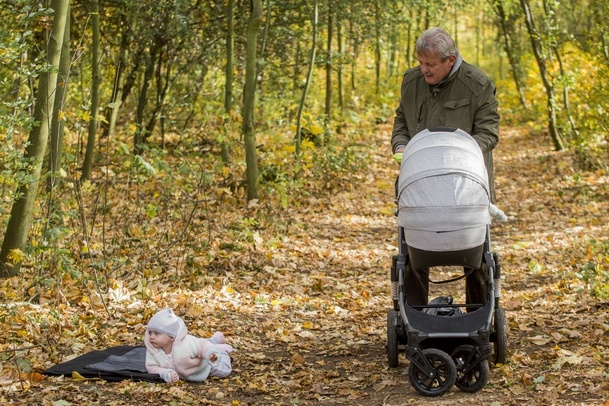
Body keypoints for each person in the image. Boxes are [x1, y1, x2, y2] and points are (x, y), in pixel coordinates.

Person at [391, 27, 500, 308]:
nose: (424, 70)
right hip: (419, 184)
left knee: (476, 255)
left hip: (465, 185)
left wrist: (460, 154)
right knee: (413, 252)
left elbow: (489, 132)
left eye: (431, 64)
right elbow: (401, 119)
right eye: (421, 63)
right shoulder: (411, 81)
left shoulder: (477, 85)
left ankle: (479, 314)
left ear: (450, 60)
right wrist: (401, 145)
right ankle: (414, 314)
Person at [144, 308, 233, 383]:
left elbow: (202, 345)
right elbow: (152, 367)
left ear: (171, 337)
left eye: (156, 333)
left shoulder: (187, 343)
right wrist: (165, 373)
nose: (151, 337)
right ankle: (214, 340)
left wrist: (211, 354)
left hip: (203, 366)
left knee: (225, 371)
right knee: (203, 344)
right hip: (187, 369)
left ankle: (221, 351)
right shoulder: (152, 350)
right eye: (150, 333)